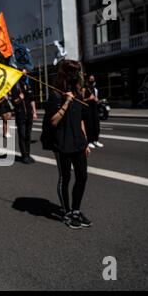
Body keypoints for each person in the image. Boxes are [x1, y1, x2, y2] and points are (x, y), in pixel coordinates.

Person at [44, 60, 92, 230]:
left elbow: (80, 121)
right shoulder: (55, 95)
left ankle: (76, 210)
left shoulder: (79, 93)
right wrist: (65, 102)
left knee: (82, 177)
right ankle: (67, 212)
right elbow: (53, 121)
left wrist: (85, 141)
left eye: (77, 72)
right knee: (65, 178)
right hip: (62, 144)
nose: (76, 76)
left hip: (78, 143)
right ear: (65, 74)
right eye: (73, 72)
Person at [12, 69, 38, 164]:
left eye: (25, 73)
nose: (24, 75)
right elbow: (14, 102)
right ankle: (24, 156)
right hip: (20, 114)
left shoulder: (28, 85)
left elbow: (32, 100)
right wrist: (19, 98)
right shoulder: (15, 86)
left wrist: (34, 112)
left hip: (29, 114)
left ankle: (28, 154)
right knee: (22, 135)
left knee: (28, 135)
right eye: (23, 73)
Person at [83, 75, 104, 149]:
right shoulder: (84, 89)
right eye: (91, 79)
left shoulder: (95, 89)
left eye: (93, 79)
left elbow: (97, 99)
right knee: (89, 126)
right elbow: (81, 100)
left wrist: (97, 100)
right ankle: (89, 141)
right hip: (87, 110)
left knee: (96, 125)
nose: (92, 80)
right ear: (87, 80)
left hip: (95, 109)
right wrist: (89, 98)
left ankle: (96, 140)